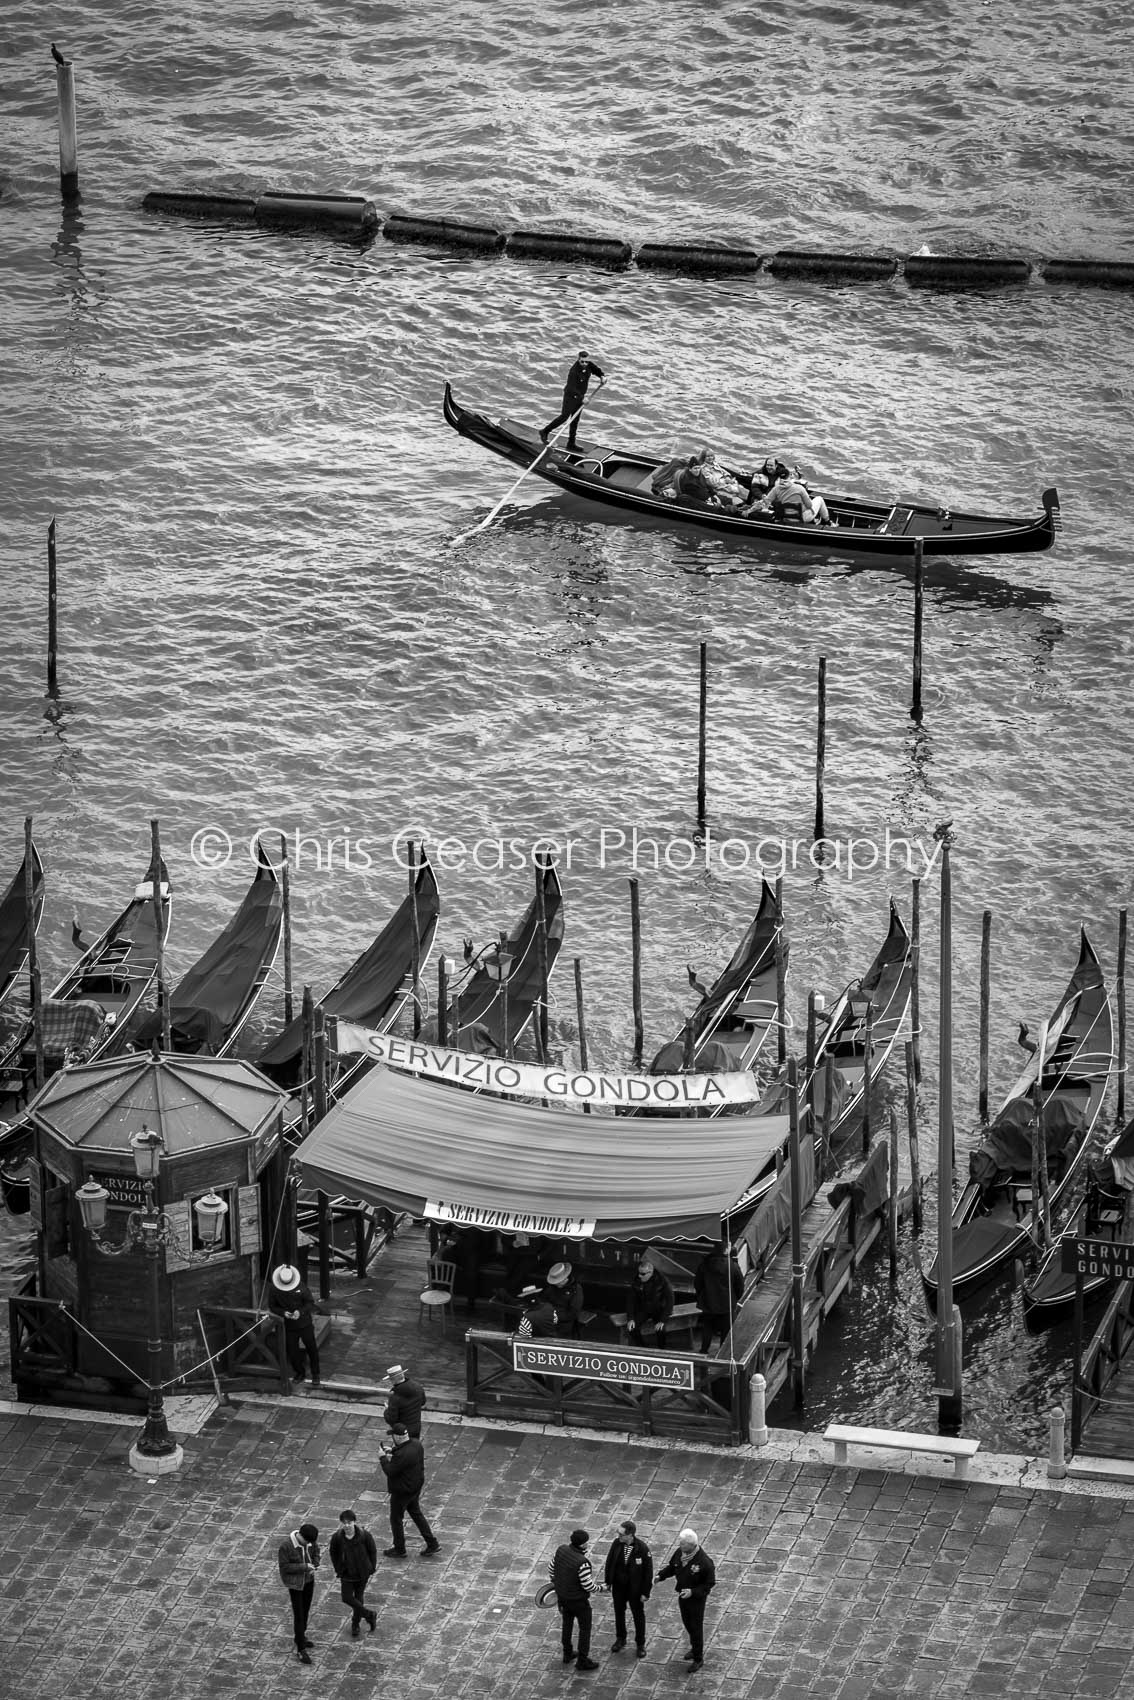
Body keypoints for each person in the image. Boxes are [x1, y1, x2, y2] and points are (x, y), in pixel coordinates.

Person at [656, 1528, 716, 1671]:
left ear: (692, 1545)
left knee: (696, 1627)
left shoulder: (704, 1562)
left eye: (683, 1544)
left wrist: (693, 1592)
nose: (680, 1545)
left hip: (696, 1600)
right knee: (687, 1623)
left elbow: (709, 1584)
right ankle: (694, 1647)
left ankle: (698, 1658)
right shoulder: (680, 1553)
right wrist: (660, 1576)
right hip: (683, 1595)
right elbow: (672, 1567)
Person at [379, 1424, 440, 1558]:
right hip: (414, 1487)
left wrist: (382, 1458)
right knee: (416, 1513)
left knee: (396, 1519)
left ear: (399, 1437)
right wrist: (393, 1450)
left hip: (402, 1491)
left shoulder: (401, 1454)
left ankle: (399, 1549)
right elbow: (404, 1456)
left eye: (393, 1435)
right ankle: (432, 1543)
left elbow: (390, 1471)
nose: (392, 1437)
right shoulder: (416, 1444)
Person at [549, 1527, 604, 1671]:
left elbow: (551, 1569)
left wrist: (559, 1584)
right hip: (578, 1601)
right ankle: (583, 1660)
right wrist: (602, 1588)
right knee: (585, 1629)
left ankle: (567, 1653)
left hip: (563, 1598)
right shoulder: (582, 1562)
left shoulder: (561, 1550)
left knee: (567, 1624)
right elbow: (588, 1586)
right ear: (583, 1544)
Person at [603, 1518, 653, 1658]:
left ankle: (640, 1643)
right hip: (619, 1586)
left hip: (635, 1589)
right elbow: (610, 1562)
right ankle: (621, 1638)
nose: (618, 1536)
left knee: (638, 1615)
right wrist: (608, 1582)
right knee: (619, 1612)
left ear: (630, 1535)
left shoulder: (642, 1549)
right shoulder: (617, 1544)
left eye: (621, 1534)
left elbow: (648, 1572)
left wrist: (645, 1592)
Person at [267, 1263, 321, 1388]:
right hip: (288, 1325)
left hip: (304, 1324)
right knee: (292, 1351)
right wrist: (283, 1312)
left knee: (312, 1348)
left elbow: (310, 1303)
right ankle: (299, 1372)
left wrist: (300, 1312)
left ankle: (316, 1374)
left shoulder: (301, 1286)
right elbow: (272, 1306)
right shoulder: (274, 1289)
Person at [540, 350, 606, 450]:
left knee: (575, 420)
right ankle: (545, 431)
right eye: (582, 362)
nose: (585, 364)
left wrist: (602, 376)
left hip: (580, 397)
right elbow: (571, 388)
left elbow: (595, 369)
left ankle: (571, 443)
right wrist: (582, 398)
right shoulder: (574, 371)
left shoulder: (588, 365)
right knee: (564, 417)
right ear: (578, 360)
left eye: (586, 362)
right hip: (570, 396)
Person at [328, 1509, 378, 1639]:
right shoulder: (337, 1537)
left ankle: (355, 1624)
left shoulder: (364, 1535)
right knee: (347, 1597)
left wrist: (372, 1567)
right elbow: (333, 1553)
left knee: (359, 1597)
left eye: (349, 1522)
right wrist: (338, 1568)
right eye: (344, 1523)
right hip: (347, 1573)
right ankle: (369, 1615)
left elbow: (372, 1551)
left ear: (354, 1522)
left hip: (362, 1572)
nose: (346, 1525)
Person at [277, 1520, 320, 1664]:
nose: (308, 1544)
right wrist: (304, 1567)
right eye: (306, 1541)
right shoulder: (286, 1546)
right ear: (300, 1536)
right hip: (296, 1585)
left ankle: (300, 1636)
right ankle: (301, 1649)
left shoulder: (310, 1542)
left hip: (308, 1581)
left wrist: (315, 1562)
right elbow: (285, 1567)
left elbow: (316, 1551)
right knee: (299, 1615)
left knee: (306, 1610)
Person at [694, 1243, 743, 1355]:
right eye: (729, 1246)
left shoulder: (704, 1264)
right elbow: (739, 1285)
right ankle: (722, 1354)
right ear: (726, 1250)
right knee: (726, 1331)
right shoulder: (732, 1266)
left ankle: (703, 1350)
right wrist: (735, 1298)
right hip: (727, 1303)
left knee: (707, 1328)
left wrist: (702, 1296)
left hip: (708, 1302)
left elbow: (697, 1283)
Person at [627, 1257, 674, 1347]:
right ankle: (643, 1348)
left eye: (642, 1274)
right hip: (644, 1308)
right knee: (632, 1328)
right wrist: (631, 1318)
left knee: (660, 1330)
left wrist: (663, 1320)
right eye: (639, 1273)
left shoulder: (662, 1280)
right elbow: (630, 1300)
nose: (639, 1276)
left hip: (659, 1308)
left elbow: (670, 1301)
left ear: (650, 1273)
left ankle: (661, 1351)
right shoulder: (637, 1280)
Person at [383, 1363, 427, 1438]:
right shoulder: (418, 1387)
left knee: (403, 1448)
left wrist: (387, 1410)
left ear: (393, 1379)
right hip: (416, 1427)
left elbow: (391, 1419)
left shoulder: (395, 1397)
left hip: (402, 1431)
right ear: (402, 1375)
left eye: (390, 1379)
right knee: (415, 1447)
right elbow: (423, 1402)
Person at [545, 1261, 585, 1338]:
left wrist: (556, 1317)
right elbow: (545, 1301)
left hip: (565, 1322)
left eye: (558, 1282)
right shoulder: (551, 1287)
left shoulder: (576, 1289)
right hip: (549, 1319)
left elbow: (573, 1312)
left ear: (565, 1278)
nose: (556, 1284)